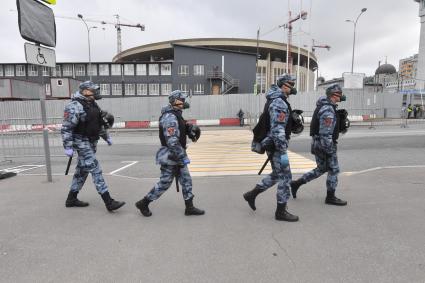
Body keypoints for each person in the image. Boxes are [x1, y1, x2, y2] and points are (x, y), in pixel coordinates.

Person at [135, 90, 204, 217]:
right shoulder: (169, 116)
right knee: (165, 183)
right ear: (174, 101)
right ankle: (144, 203)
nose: (184, 102)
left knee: (186, 180)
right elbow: (172, 141)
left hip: (177, 154)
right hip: (171, 156)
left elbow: (179, 131)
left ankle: (189, 207)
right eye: (181, 99)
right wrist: (182, 157)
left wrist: (187, 128)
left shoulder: (176, 115)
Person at [61, 81, 125, 212]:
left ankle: (71, 199)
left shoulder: (93, 104)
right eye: (93, 90)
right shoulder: (74, 106)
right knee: (95, 169)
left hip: (92, 141)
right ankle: (109, 201)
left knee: (82, 171)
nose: (96, 93)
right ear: (85, 91)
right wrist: (67, 146)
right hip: (81, 142)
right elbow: (66, 128)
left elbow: (98, 124)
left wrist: (106, 137)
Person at [243, 74, 299, 222]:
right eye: (290, 84)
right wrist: (282, 150)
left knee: (277, 174)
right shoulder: (279, 102)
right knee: (286, 177)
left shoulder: (275, 99)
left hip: (274, 145)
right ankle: (281, 211)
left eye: (293, 84)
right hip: (277, 146)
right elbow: (277, 129)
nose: (292, 87)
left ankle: (252, 194)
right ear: (282, 85)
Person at [290, 84, 347, 206]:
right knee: (334, 169)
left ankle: (297, 183)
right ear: (334, 95)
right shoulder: (327, 110)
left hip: (317, 143)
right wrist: (330, 150)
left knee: (321, 168)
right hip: (324, 144)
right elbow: (325, 133)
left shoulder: (324, 106)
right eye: (340, 94)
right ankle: (330, 197)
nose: (341, 96)